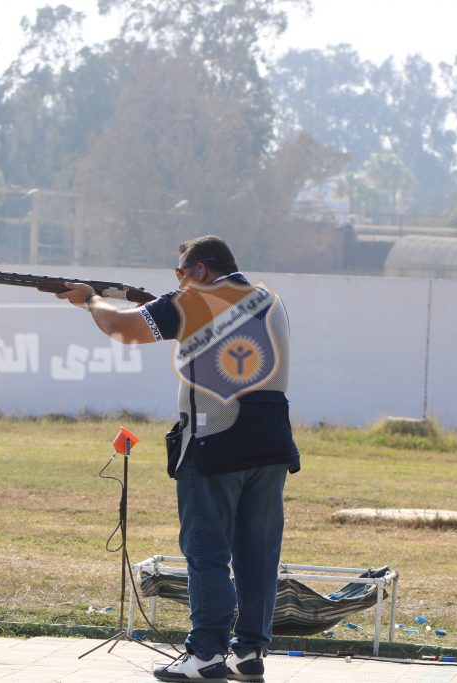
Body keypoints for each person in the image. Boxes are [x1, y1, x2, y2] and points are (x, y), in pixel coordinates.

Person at [56, 235, 299, 683]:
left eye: (182, 273)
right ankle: (250, 654)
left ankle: (207, 653)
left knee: (206, 551)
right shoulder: (268, 297)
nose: (179, 281)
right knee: (258, 554)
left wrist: (90, 300)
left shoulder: (199, 297)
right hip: (270, 445)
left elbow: (123, 329)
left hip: (215, 441)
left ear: (203, 271)